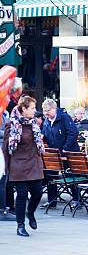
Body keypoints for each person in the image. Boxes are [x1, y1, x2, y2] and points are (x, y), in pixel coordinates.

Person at [3, 96, 45, 237]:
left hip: (34, 163)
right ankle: (20, 226)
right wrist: (7, 167)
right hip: (18, 164)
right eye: (32, 108)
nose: (35, 111)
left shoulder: (34, 124)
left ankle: (30, 212)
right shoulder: (12, 124)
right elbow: (5, 148)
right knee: (21, 195)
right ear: (24, 109)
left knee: (38, 192)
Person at [41, 99, 81, 209]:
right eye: (44, 111)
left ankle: (76, 200)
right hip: (54, 153)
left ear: (54, 108)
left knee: (71, 175)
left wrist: (65, 148)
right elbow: (44, 133)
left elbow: (73, 133)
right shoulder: (47, 120)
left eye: (47, 110)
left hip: (68, 153)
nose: (45, 113)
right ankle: (52, 200)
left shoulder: (64, 117)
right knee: (50, 175)